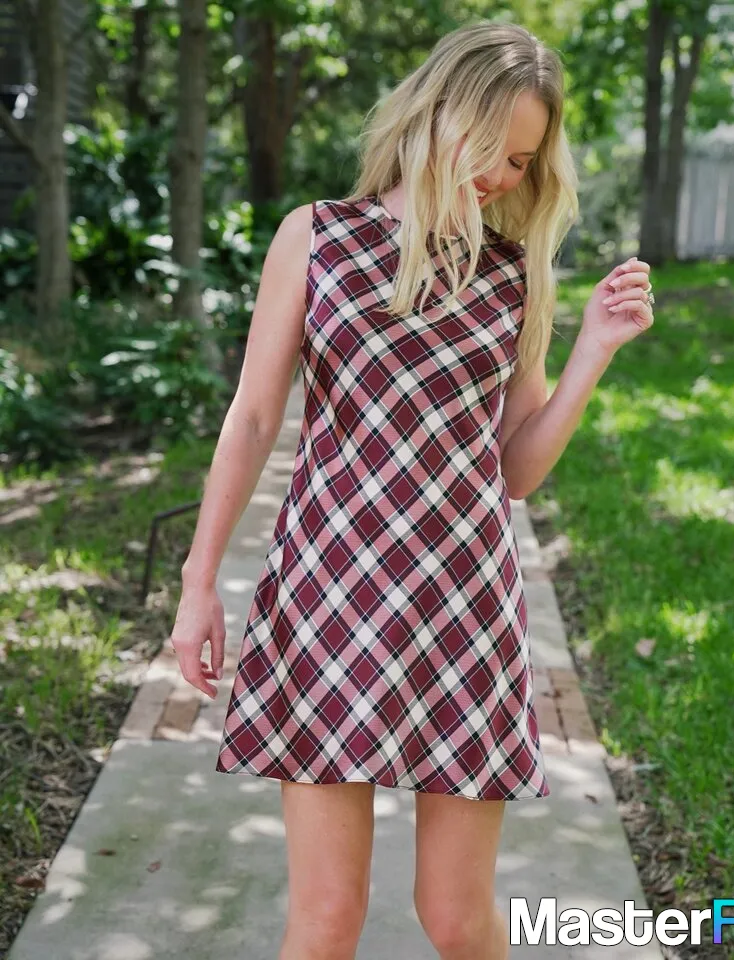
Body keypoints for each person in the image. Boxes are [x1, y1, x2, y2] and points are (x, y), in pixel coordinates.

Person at [170, 20, 654, 960]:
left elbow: (514, 472)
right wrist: (198, 583)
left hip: (464, 610)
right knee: (326, 917)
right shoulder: (317, 237)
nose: (503, 177)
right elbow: (254, 419)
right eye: (493, 148)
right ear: (436, 114)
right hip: (327, 600)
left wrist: (592, 352)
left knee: (457, 918)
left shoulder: (510, 275)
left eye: (522, 162)